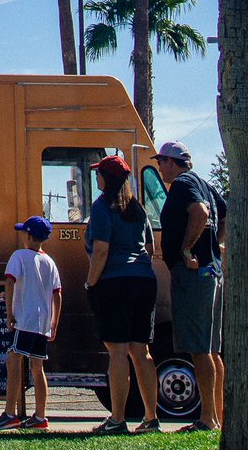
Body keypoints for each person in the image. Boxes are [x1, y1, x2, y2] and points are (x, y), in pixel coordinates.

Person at [154, 140, 227, 433]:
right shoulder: (205, 183)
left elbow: (201, 212)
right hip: (212, 272)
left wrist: (186, 249)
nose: (159, 167)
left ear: (172, 162)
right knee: (211, 349)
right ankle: (218, 416)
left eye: (161, 161)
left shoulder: (184, 184)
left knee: (199, 349)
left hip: (194, 276)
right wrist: (214, 247)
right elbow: (224, 214)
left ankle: (208, 418)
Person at [84, 154, 159, 435]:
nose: (96, 177)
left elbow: (101, 249)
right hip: (144, 280)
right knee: (141, 351)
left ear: (107, 178)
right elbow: (149, 249)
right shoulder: (137, 208)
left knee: (117, 350)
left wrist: (91, 283)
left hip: (114, 282)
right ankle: (151, 418)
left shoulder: (103, 206)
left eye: (98, 173)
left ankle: (117, 418)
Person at [0, 215, 61, 432]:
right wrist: (54, 323)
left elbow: (10, 281)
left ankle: (10, 414)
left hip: (25, 319)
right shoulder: (50, 262)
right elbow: (57, 294)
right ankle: (40, 416)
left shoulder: (18, 256)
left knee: (13, 360)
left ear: (28, 235)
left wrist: (9, 313)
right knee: (38, 367)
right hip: (42, 321)